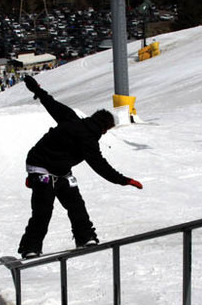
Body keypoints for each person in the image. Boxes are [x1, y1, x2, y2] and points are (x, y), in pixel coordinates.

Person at [18, 75, 143, 259]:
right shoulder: (90, 142)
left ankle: (84, 237)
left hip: (59, 169)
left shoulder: (71, 117)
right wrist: (124, 180)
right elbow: (101, 166)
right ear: (104, 129)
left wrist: (36, 89)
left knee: (74, 203)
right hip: (41, 166)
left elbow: (50, 103)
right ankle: (31, 248)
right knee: (45, 208)